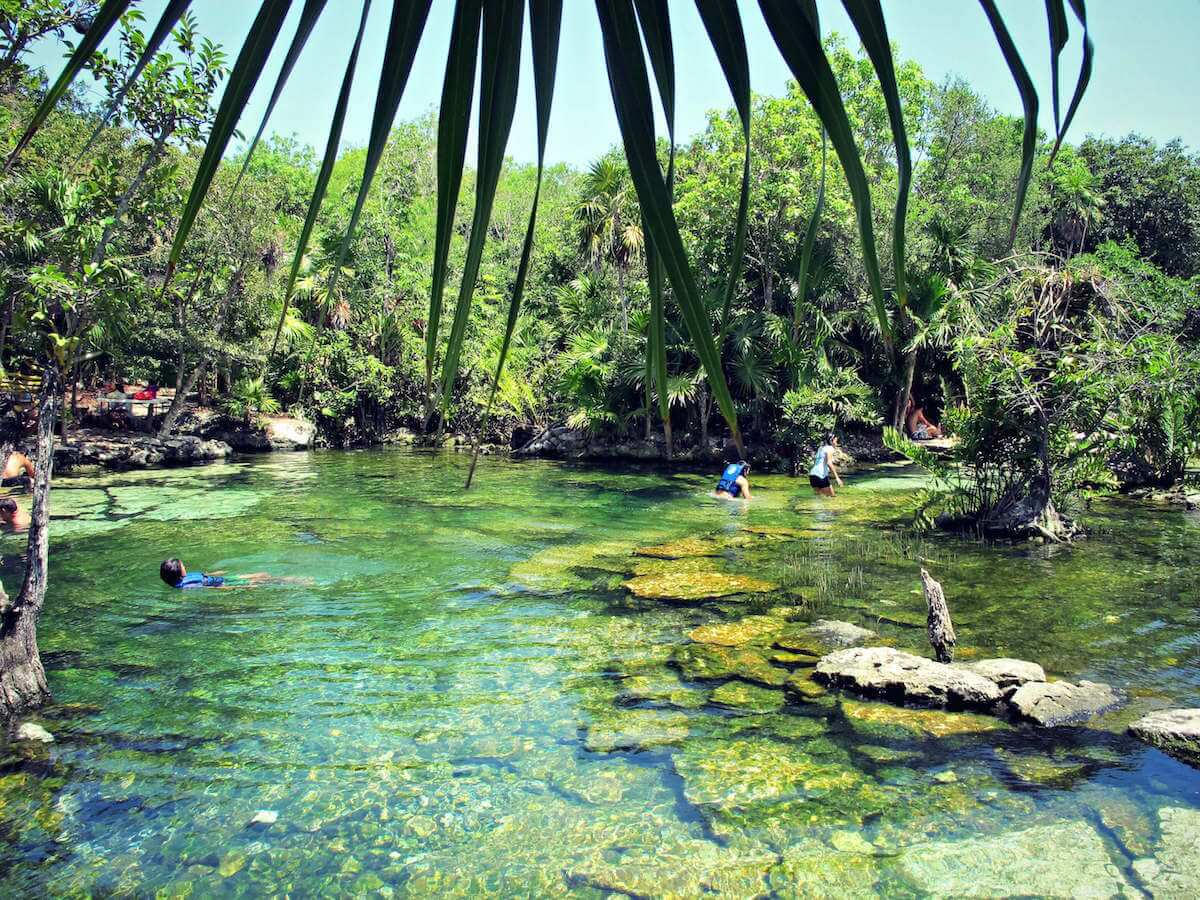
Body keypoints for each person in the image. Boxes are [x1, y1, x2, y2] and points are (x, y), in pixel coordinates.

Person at [159, 557, 271, 589]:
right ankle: (282, 580)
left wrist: (214, 573)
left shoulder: (180, 579)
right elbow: (210, 587)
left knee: (261, 574)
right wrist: (240, 586)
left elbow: (203, 575)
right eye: (183, 566)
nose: (185, 566)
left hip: (218, 579)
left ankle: (267, 578)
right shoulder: (187, 585)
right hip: (219, 583)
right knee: (254, 581)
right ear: (178, 571)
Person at [809, 433, 844, 497]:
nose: (836, 443)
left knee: (819, 497)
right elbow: (829, 463)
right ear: (831, 441)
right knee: (832, 497)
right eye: (836, 441)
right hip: (821, 475)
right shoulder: (830, 448)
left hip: (812, 475)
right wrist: (837, 478)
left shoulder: (821, 448)